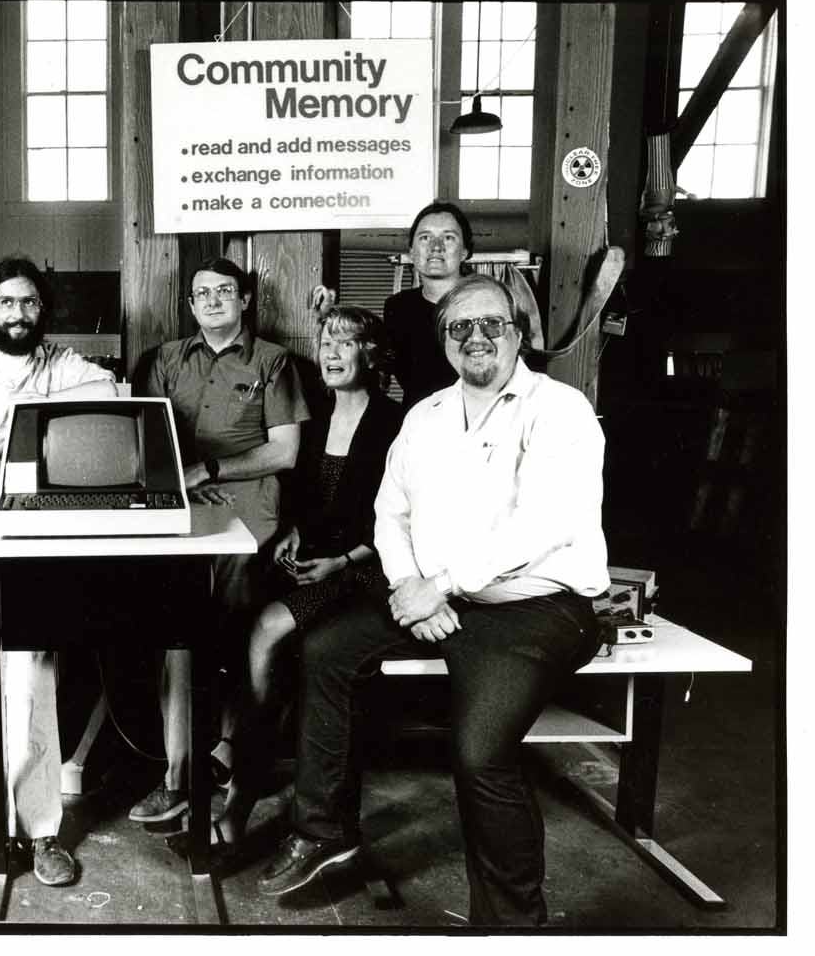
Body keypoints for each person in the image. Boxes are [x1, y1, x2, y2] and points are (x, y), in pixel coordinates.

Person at [256, 274, 609, 926]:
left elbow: (542, 525)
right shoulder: (425, 416)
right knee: (326, 650)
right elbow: (389, 514)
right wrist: (406, 585)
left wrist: (437, 586)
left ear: (517, 334)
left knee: (480, 752)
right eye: (459, 327)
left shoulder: (561, 410)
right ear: (444, 340)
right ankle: (325, 831)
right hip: (427, 593)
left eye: (491, 324)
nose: (476, 337)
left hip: (535, 607)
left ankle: (511, 926)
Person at [0, 254, 116, 886]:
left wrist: (37, 402)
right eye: (7, 302)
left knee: (33, 674)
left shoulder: (63, 364)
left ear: (43, 309)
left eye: (30, 302)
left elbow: (110, 393)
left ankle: (40, 828)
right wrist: (16, 425)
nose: (18, 314)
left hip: (39, 520)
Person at [214, 305, 403, 847]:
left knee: (268, 629)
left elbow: (401, 515)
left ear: (371, 354)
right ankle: (237, 770)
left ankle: (237, 771)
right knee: (244, 621)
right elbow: (303, 496)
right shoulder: (315, 415)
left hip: (366, 570)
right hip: (313, 560)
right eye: (325, 343)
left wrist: (345, 560)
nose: (331, 353)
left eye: (346, 343)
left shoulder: (396, 422)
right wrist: (293, 531)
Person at [130, 257, 309, 825]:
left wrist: (210, 470)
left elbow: (285, 452)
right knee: (177, 640)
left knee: (233, 636)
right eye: (201, 293)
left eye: (224, 291)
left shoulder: (273, 361)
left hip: (248, 514)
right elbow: (146, 439)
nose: (212, 301)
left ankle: (230, 759)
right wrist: (182, 482)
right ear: (190, 305)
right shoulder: (165, 359)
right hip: (181, 506)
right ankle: (179, 775)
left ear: (245, 299)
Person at [384, 201, 474, 409]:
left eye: (448, 237)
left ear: (464, 252)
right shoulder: (398, 307)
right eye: (425, 237)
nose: (436, 247)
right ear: (411, 251)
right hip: (417, 418)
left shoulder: (486, 303)